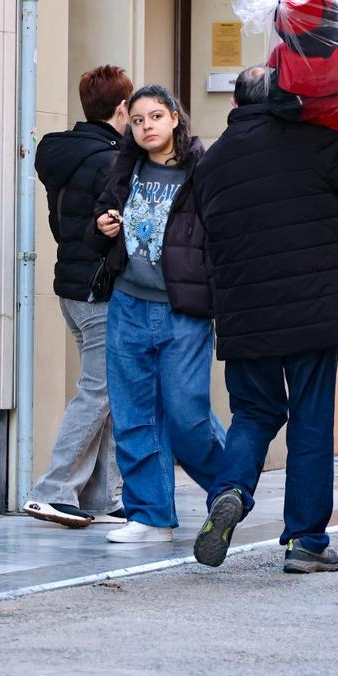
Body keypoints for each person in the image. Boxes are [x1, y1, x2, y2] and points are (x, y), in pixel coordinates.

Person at [192, 65, 338, 573]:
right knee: (310, 420)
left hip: (244, 317)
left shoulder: (212, 163)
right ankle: (306, 542)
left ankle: (230, 490)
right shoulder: (313, 142)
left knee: (254, 413)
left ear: (235, 105)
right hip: (312, 310)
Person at [86, 84, 226, 544]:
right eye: (138, 120)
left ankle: (231, 487)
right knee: (134, 414)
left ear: (175, 118)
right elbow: (97, 230)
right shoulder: (125, 167)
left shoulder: (202, 169)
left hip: (183, 309)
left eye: (156, 117)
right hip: (128, 304)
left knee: (187, 415)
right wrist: (103, 226)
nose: (147, 126)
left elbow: (221, 236)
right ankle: (150, 516)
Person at [22, 65, 132, 528]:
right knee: (98, 390)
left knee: (105, 392)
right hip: (100, 289)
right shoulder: (110, 161)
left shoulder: (64, 154)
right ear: (122, 108)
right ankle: (52, 490)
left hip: (71, 286)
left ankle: (101, 497)